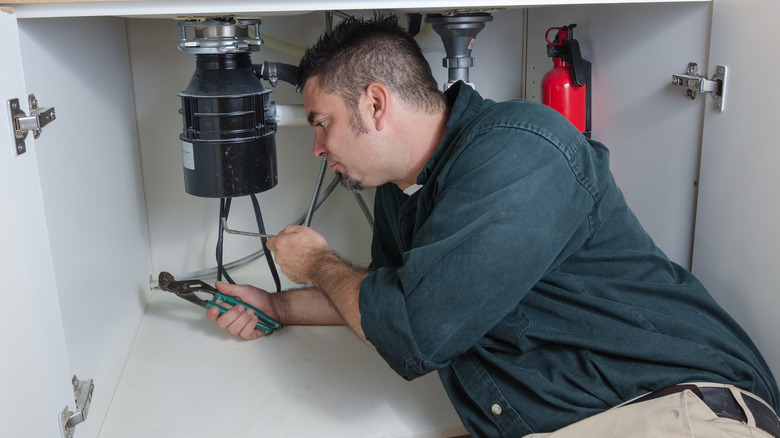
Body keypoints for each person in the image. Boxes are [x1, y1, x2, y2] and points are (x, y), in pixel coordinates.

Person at [207, 15, 780, 437]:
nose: (316, 147)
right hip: (581, 417)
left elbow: (410, 328)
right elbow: (380, 302)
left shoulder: (520, 150)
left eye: (323, 123)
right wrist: (277, 306)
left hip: (678, 411)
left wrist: (315, 260)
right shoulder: (401, 193)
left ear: (376, 104)